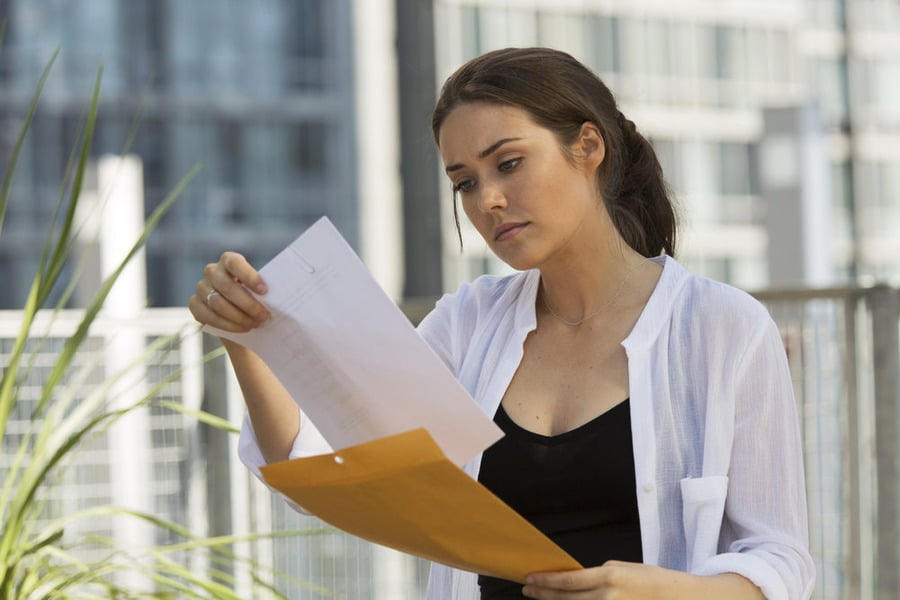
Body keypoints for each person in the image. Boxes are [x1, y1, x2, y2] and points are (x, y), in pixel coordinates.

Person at [189, 47, 815, 600]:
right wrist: (248, 340)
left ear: (588, 147)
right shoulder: (467, 324)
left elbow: (781, 560)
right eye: (464, 182)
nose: (486, 200)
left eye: (508, 163)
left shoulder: (722, 327)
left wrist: (665, 592)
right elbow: (323, 469)